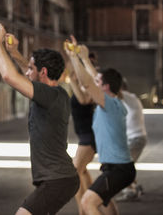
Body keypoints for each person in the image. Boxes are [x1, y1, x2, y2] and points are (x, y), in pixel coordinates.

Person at [0, 23, 79, 215]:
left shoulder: (51, 95)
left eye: (31, 69)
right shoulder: (53, 93)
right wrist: (13, 52)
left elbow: (9, 76)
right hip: (59, 179)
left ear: (44, 72)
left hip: (57, 180)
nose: (27, 73)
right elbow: (27, 71)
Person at [65, 39, 136, 215]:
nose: (95, 81)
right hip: (117, 168)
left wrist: (74, 57)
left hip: (119, 169)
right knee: (104, 202)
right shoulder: (113, 102)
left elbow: (88, 82)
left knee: (87, 202)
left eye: (99, 81)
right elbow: (93, 78)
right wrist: (85, 58)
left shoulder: (109, 103)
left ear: (105, 87)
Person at [67, 62, 96, 215]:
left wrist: (72, 80)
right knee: (82, 171)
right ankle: (93, 201)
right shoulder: (79, 87)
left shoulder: (87, 88)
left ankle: (83, 210)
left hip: (89, 136)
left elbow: (84, 100)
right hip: (84, 135)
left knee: (74, 173)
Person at [116, 80, 147, 201]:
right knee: (128, 164)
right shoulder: (132, 99)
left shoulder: (128, 97)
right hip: (137, 138)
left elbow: (117, 93)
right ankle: (134, 185)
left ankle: (130, 190)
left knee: (123, 165)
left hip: (136, 139)